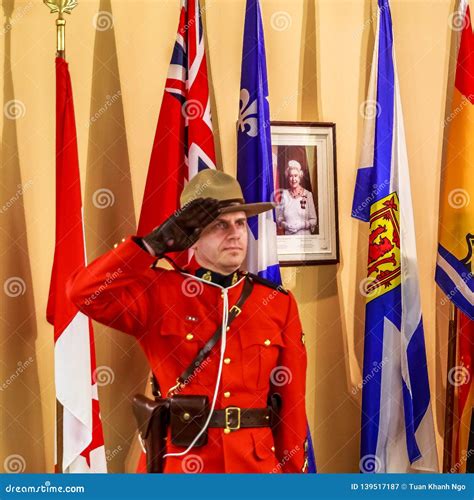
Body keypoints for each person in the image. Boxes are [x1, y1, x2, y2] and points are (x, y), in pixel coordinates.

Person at [66, 169, 308, 474]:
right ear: (192, 236)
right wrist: (150, 247)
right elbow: (83, 293)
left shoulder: (276, 302)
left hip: (256, 465)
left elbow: (292, 403)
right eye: (220, 225)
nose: (235, 234)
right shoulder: (159, 292)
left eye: (240, 223)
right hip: (182, 463)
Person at [276, 160, 317, 235]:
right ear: (288, 178)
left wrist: (301, 225)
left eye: (295, 176)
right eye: (291, 176)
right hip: (288, 239)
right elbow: (279, 218)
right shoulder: (284, 194)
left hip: (305, 241)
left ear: (300, 177)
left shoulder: (308, 194)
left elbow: (314, 220)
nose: (293, 179)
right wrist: (285, 225)